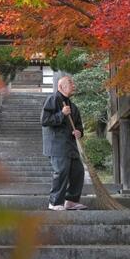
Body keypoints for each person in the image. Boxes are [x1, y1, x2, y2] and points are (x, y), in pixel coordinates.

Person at [41, 75, 87, 210]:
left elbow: (79, 126)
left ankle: (71, 200)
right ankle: (55, 202)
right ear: (61, 86)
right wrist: (61, 114)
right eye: (70, 82)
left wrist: (79, 132)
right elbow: (45, 120)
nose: (73, 84)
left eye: (73, 82)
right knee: (61, 172)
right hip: (57, 144)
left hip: (70, 145)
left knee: (78, 171)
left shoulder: (73, 106)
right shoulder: (53, 99)